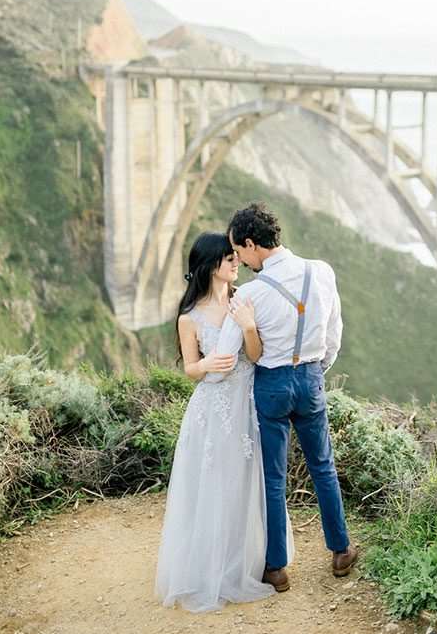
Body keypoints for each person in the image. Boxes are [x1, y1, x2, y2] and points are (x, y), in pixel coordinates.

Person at [210, 203, 358, 593]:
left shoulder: (252, 294)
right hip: (310, 378)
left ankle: (276, 568)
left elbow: (231, 350)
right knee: (322, 466)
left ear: (250, 243)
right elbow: (333, 335)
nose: (239, 259)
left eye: (239, 252)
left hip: (271, 384)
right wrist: (313, 370)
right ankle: (341, 550)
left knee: (273, 477)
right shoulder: (321, 272)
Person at [154, 231, 294, 613]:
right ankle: (211, 568)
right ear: (210, 265)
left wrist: (248, 327)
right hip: (213, 409)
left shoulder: (244, 299)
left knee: (248, 482)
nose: (236, 262)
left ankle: (248, 562)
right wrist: (206, 364)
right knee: (215, 484)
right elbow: (189, 369)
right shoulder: (190, 317)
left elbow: (256, 354)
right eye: (228, 258)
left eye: (236, 257)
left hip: (247, 402)